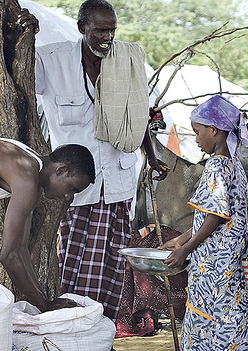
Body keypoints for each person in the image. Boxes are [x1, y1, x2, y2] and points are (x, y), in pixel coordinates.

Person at [20, 0, 169, 321]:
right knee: (71, 261)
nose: (107, 37)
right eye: (100, 30)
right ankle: (70, 323)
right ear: (81, 28)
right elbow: (17, 75)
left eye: (112, 30)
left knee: (113, 265)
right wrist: (18, 34)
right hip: (74, 189)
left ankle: (100, 325)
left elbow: (138, 111)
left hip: (117, 184)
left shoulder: (126, 61)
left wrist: (152, 156)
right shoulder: (52, 60)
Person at [161, 95, 248, 350]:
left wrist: (185, 249)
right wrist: (180, 239)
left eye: (197, 132)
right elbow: (216, 215)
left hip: (213, 265)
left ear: (214, 130)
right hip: (228, 261)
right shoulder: (235, 165)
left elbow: (214, 217)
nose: (196, 139)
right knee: (227, 314)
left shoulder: (216, 166)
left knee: (209, 321)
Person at [0, 139, 95, 313]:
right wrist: (45, 307)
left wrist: (45, 301)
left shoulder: (32, 174)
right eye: (71, 188)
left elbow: (21, 249)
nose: (68, 197)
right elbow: (8, 255)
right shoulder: (26, 175)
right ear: (61, 170)